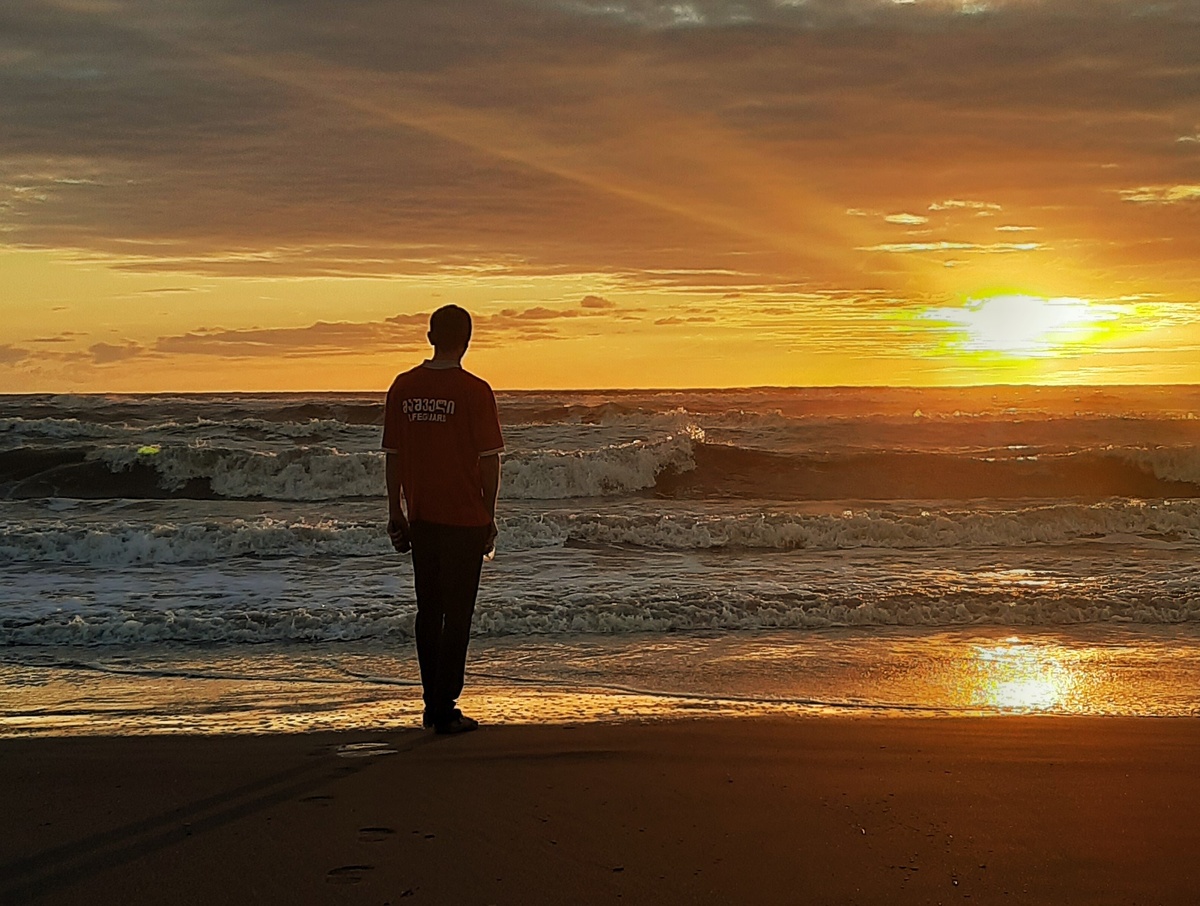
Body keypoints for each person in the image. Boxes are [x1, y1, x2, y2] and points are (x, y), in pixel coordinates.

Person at [381, 305, 503, 735]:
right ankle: (444, 702)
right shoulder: (475, 390)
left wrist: (396, 511)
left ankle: (432, 701)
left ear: (430, 337)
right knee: (458, 614)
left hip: (424, 516)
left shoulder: (402, 387)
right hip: (465, 517)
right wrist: (489, 515)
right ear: (466, 341)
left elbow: (393, 456)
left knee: (428, 611)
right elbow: (489, 461)